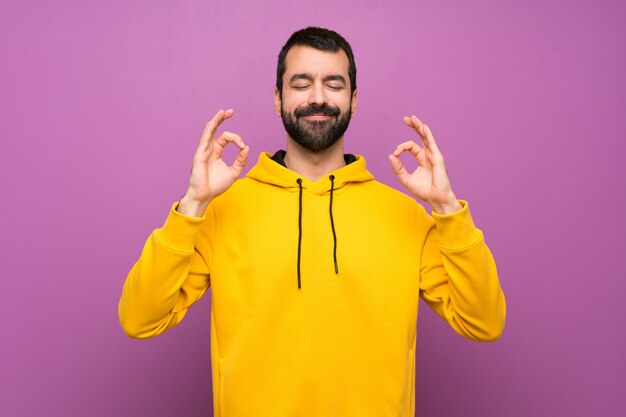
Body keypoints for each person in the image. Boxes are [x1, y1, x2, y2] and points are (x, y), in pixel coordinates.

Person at [119, 27, 506, 417]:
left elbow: (484, 322)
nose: (318, 97)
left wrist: (447, 207)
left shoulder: (406, 216)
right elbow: (140, 318)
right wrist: (193, 204)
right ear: (277, 98)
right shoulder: (221, 211)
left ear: (353, 101)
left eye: (333, 84)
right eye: (301, 84)